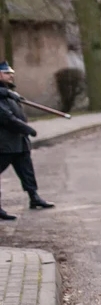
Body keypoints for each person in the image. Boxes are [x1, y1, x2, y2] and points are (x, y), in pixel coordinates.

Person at [0, 62, 54, 217]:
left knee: (27, 171)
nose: (11, 75)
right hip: (4, 144)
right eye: (6, 73)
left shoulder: (9, 93)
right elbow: (6, 118)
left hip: (19, 142)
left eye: (11, 73)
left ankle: (34, 197)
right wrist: (27, 129)